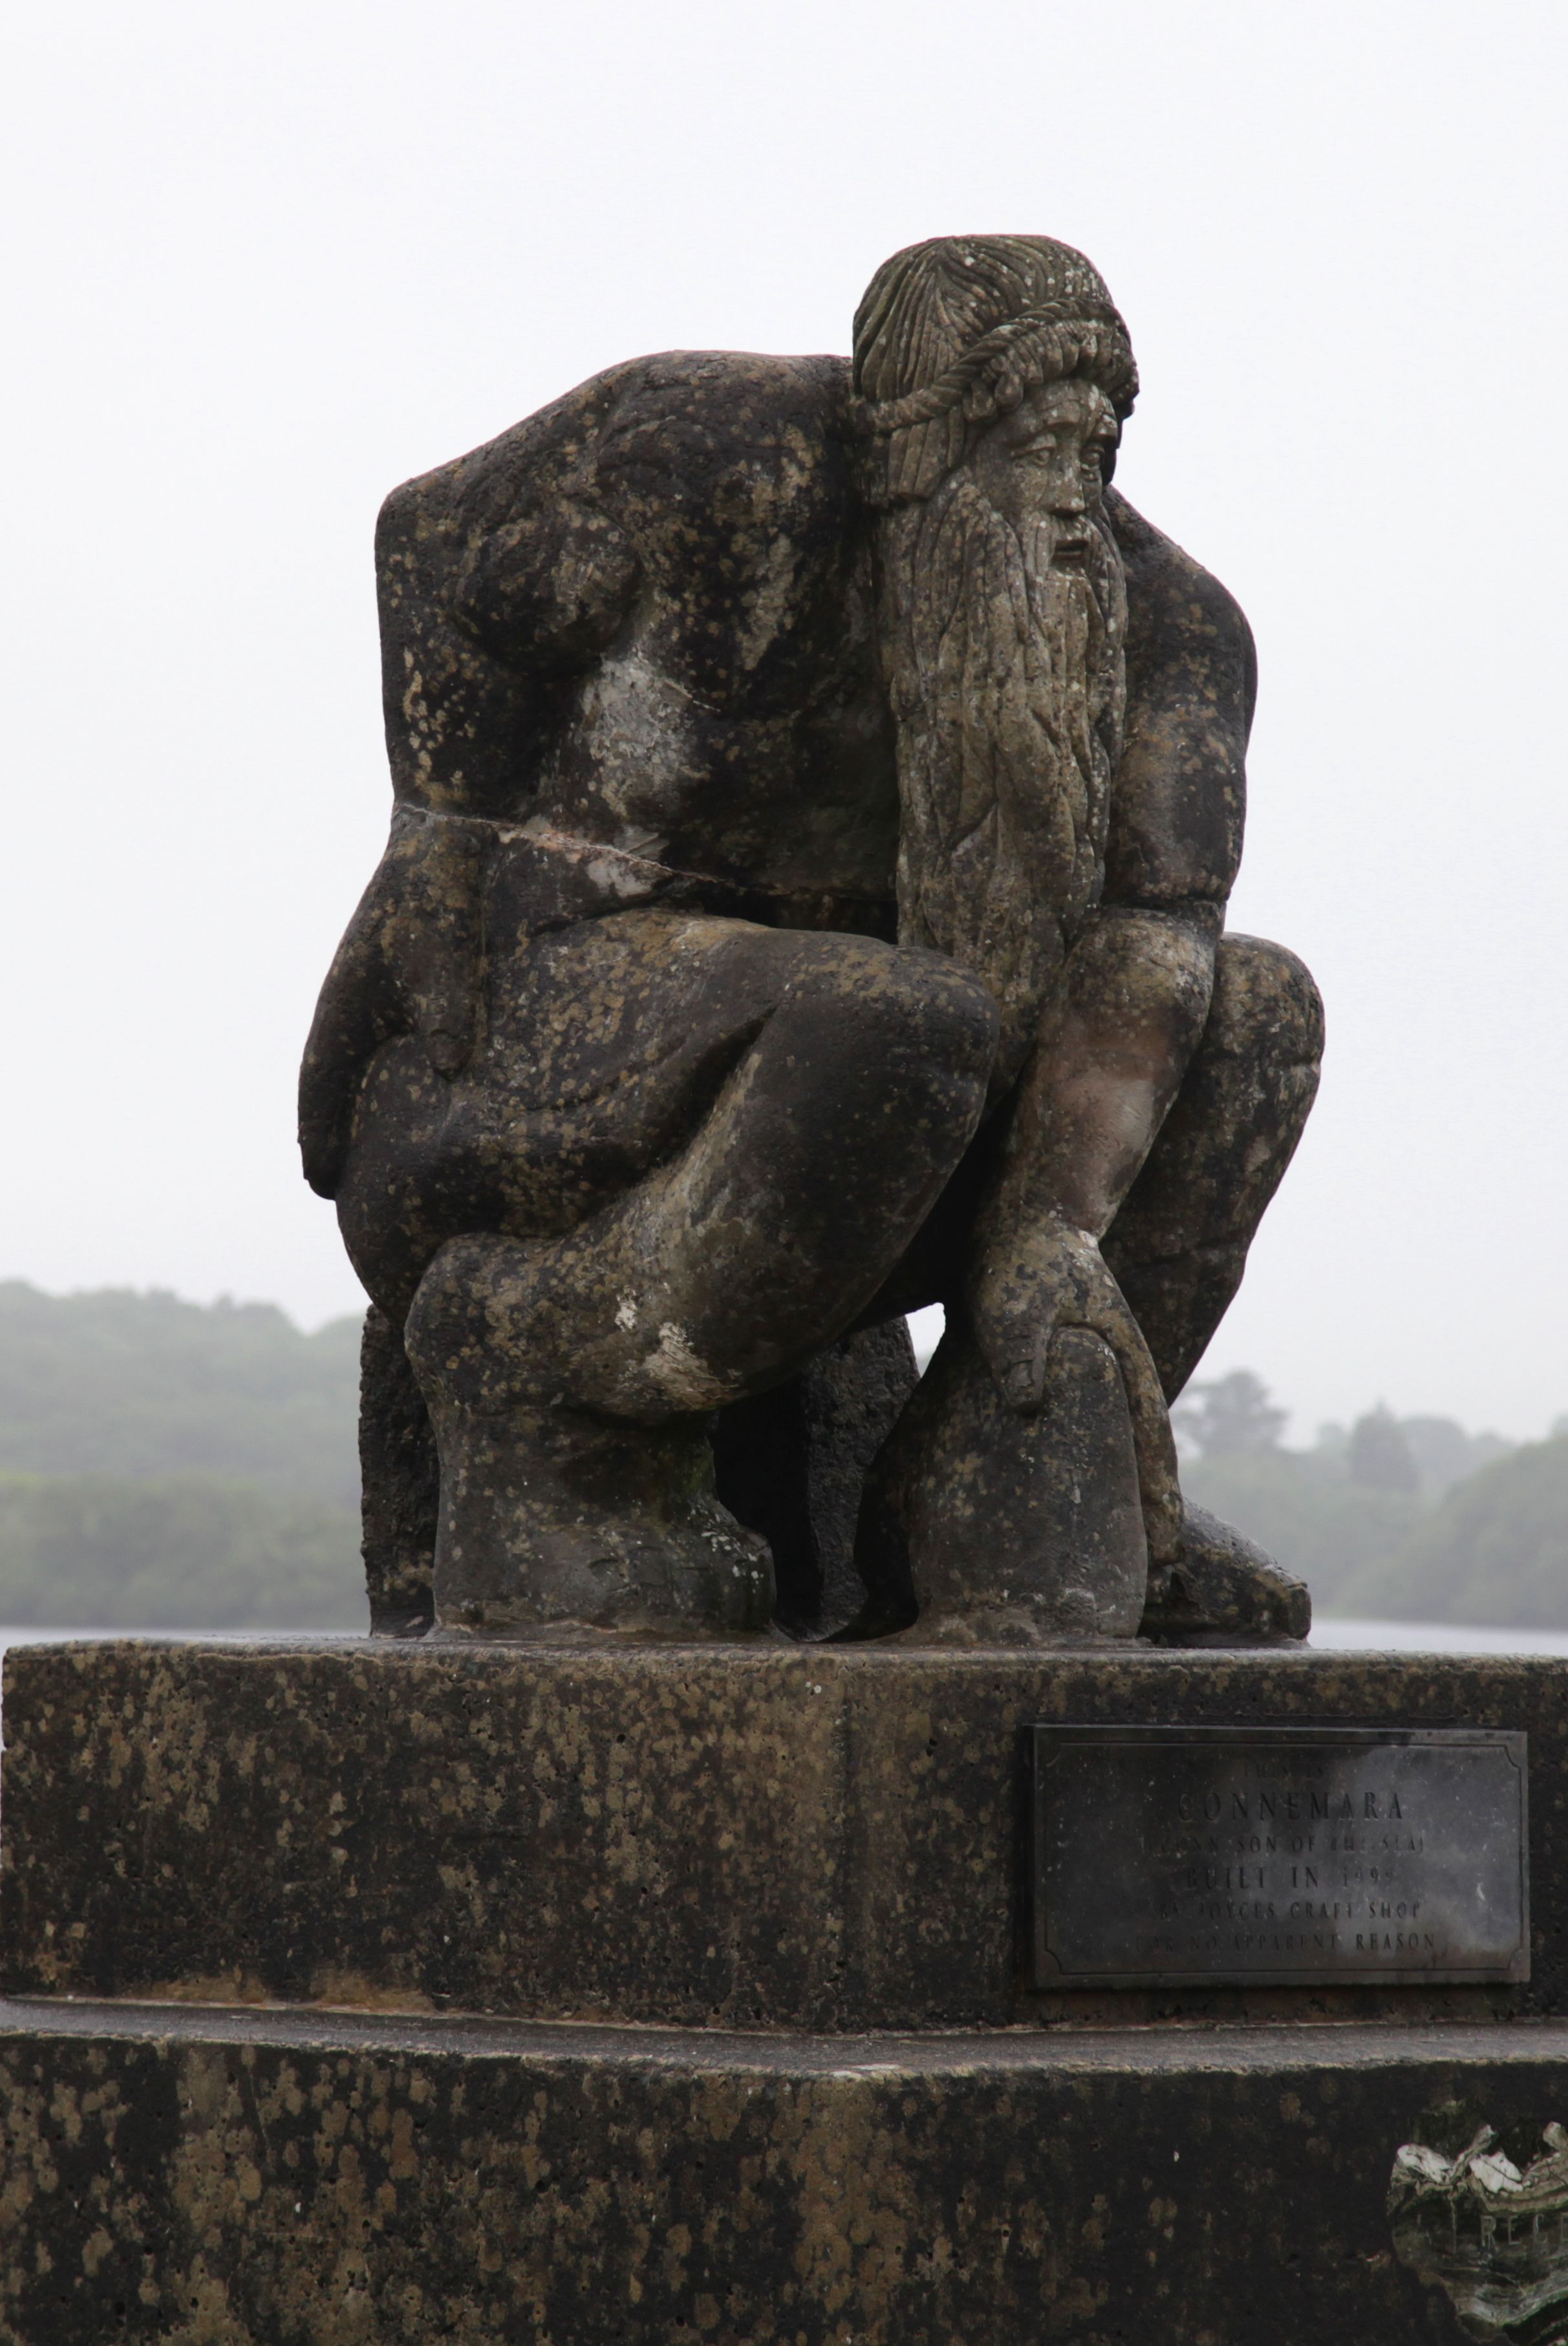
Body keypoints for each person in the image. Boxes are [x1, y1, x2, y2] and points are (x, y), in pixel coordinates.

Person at [299, 235, 1321, 1644]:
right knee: (899, 1020)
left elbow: (1159, 936)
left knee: (1261, 1015)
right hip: (564, 1019)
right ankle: (535, 1364)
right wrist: (440, 834)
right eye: (1032, 441)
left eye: (1099, 445)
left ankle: (1002, 1454)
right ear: (919, 440)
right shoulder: (716, 459)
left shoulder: (1177, 625)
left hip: (891, 1080)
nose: (1074, 501)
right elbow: (428, 536)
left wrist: (1047, 1232)